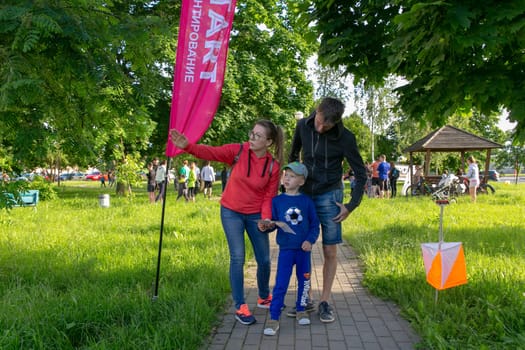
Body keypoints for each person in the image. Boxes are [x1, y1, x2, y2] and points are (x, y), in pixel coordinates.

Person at [170, 119, 284, 325]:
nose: (252, 137)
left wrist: (266, 218)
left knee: (265, 260)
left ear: (268, 142)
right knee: (238, 257)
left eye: (258, 136)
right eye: (252, 133)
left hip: (256, 215)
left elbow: (269, 195)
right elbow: (211, 152)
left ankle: (264, 296)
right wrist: (188, 146)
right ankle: (240, 306)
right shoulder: (238, 150)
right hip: (231, 211)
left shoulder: (273, 166)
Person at [289, 97, 367, 323]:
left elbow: (361, 174)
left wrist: (351, 205)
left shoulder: (346, 138)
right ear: (317, 111)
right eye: (320, 122)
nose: (321, 128)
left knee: (330, 251)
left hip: (330, 196)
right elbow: (293, 156)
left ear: (337, 123)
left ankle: (325, 301)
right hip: (304, 194)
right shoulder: (303, 126)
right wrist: (293, 182)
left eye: (327, 126)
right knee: (302, 247)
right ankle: (306, 297)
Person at [261, 162, 320, 336]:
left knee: (304, 281)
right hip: (286, 250)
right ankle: (274, 317)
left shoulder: (307, 201)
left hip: (303, 251)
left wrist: (310, 241)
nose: (287, 178)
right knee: (280, 283)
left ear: (301, 182)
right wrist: (267, 226)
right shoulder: (277, 201)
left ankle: (301, 309)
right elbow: (272, 223)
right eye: (286, 174)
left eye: (292, 176)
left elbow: (315, 225)